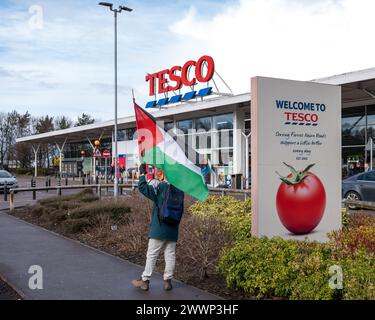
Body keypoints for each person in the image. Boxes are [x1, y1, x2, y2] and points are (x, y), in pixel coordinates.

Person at [131, 163, 183, 291]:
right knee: (170, 253)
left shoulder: (161, 187)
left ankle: (145, 280)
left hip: (159, 227)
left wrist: (143, 174)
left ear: (164, 174)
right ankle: (167, 281)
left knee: (152, 254)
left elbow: (143, 188)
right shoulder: (179, 190)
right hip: (173, 227)